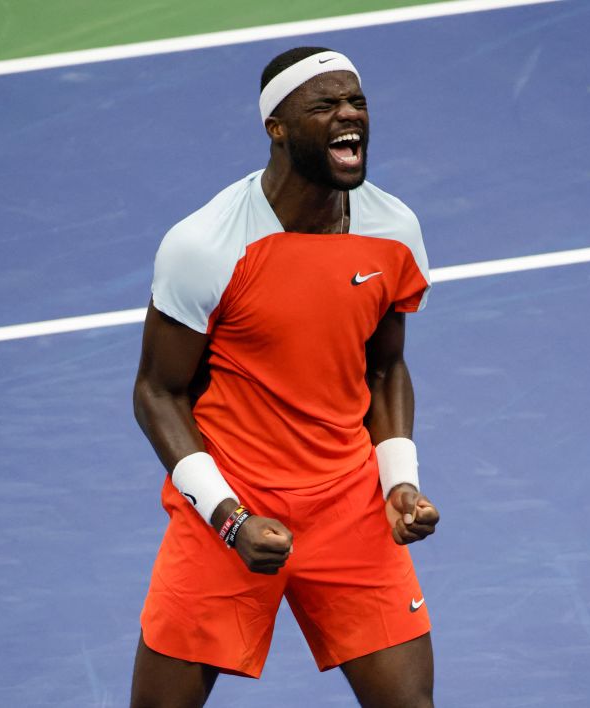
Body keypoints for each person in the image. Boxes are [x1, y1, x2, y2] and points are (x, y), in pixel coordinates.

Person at [129, 46, 440, 707]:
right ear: (277, 126)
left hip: (350, 507)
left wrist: (400, 483)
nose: (348, 116)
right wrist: (229, 519)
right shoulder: (206, 246)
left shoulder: (395, 231)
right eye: (324, 105)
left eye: (355, 102)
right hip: (229, 508)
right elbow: (158, 391)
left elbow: (384, 368)